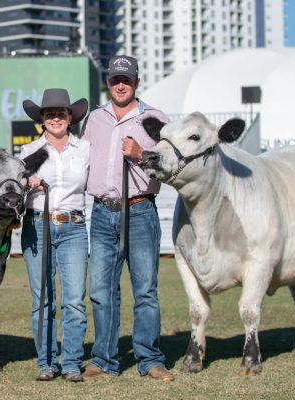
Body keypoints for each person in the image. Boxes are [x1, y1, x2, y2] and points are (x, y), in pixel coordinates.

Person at [80, 56, 174, 381]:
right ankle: (104, 360)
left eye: (127, 80)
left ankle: (150, 360)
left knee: (145, 290)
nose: (121, 85)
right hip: (102, 212)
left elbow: (171, 166)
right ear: (108, 82)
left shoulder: (156, 119)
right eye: (115, 80)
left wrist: (140, 155)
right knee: (101, 290)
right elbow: (80, 161)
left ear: (137, 82)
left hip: (140, 210)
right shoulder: (94, 119)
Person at [19, 88, 90, 382]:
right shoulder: (27, 153)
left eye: (61, 113)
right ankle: (46, 362)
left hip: (73, 227)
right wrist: (26, 183)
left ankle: (71, 363)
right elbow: (13, 192)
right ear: (42, 119)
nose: (56, 118)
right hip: (37, 225)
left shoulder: (84, 149)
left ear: (70, 117)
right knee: (42, 299)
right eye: (50, 114)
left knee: (74, 300)